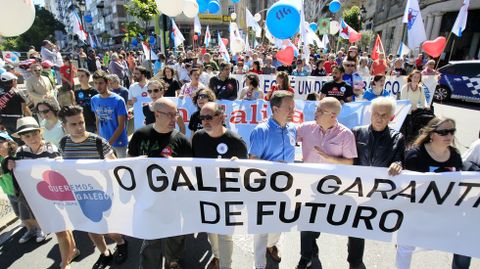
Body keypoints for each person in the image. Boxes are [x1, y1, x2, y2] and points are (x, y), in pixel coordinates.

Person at [57, 105, 128, 269]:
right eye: (73, 124)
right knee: (92, 229)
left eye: (81, 122)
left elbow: (114, 166)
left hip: (104, 194)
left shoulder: (98, 142)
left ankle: (121, 243)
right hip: (81, 196)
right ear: (64, 126)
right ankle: (105, 253)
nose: (79, 127)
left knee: (111, 229)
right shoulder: (63, 143)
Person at [128, 98, 192, 269]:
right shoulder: (141, 135)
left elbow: (190, 173)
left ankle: (173, 261)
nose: (175, 119)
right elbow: (130, 164)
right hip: (148, 199)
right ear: (157, 114)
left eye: (176, 114)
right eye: (169, 115)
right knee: (151, 238)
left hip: (174, 200)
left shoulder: (181, 140)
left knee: (176, 235)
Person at [296, 97, 358, 269]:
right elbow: (287, 135)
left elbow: (350, 162)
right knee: (306, 223)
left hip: (333, 189)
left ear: (332, 115)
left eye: (319, 111)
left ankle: (311, 251)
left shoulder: (346, 134)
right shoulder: (306, 128)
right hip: (308, 186)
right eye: (316, 109)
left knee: (316, 226)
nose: (315, 113)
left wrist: (329, 158)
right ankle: (305, 258)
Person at [395, 117, 462, 269]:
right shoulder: (415, 155)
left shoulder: (455, 156)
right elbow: (407, 187)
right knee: (406, 248)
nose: (449, 136)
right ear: (432, 134)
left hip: (441, 212)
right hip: (416, 211)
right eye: (444, 132)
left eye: (452, 131)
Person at [192, 102, 248, 269]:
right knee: (211, 231)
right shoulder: (197, 137)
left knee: (225, 235)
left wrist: (239, 166)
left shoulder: (236, 141)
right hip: (206, 195)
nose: (205, 121)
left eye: (209, 117)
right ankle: (217, 256)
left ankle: (226, 265)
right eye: (202, 118)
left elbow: (246, 173)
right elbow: (191, 166)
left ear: (222, 117)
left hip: (227, 197)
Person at [249, 90, 297, 269]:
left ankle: (271, 245)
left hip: (286, 187)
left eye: (293, 107)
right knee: (260, 229)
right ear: (275, 109)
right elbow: (253, 162)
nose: (293, 111)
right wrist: (274, 165)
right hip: (264, 187)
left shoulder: (292, 128)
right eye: (289, 108)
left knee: (280, 222)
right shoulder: (261, 131)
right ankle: (259, 265)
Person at [91, 70, 128, 158]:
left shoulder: (118, 100)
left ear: (107, 83)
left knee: (122, 167)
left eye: (100, 83)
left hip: (119, 142)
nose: (98, 86)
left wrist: (109, 143)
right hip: (104, 142)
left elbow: (121, 126)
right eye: (95, 83)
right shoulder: (94, 99)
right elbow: (97, 120)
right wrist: (100, 138)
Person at [74, 68, 98, 133]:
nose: (80, 78)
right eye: (78, 76)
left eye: (82, 76)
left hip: (94, 123)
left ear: (88, 77)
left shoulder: (95, 92)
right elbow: (76, 107)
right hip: (82, 123)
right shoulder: (76, 92)